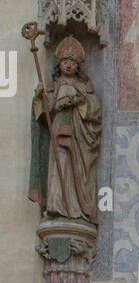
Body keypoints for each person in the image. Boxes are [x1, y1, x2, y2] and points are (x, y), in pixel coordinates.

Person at [29, 36, 102, 224]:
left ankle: (75, 208)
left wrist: (79, 101)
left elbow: (94, 108)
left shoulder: (83, 86)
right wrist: (40, 99)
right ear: (59, 65)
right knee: (59, 164)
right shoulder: (55, 85)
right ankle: (56, 206)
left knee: (75, 167)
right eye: (65, 62)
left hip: (78, 134)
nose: (68, 66)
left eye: (72, 63)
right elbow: (48, 111)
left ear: (78, 67)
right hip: (59, 127)